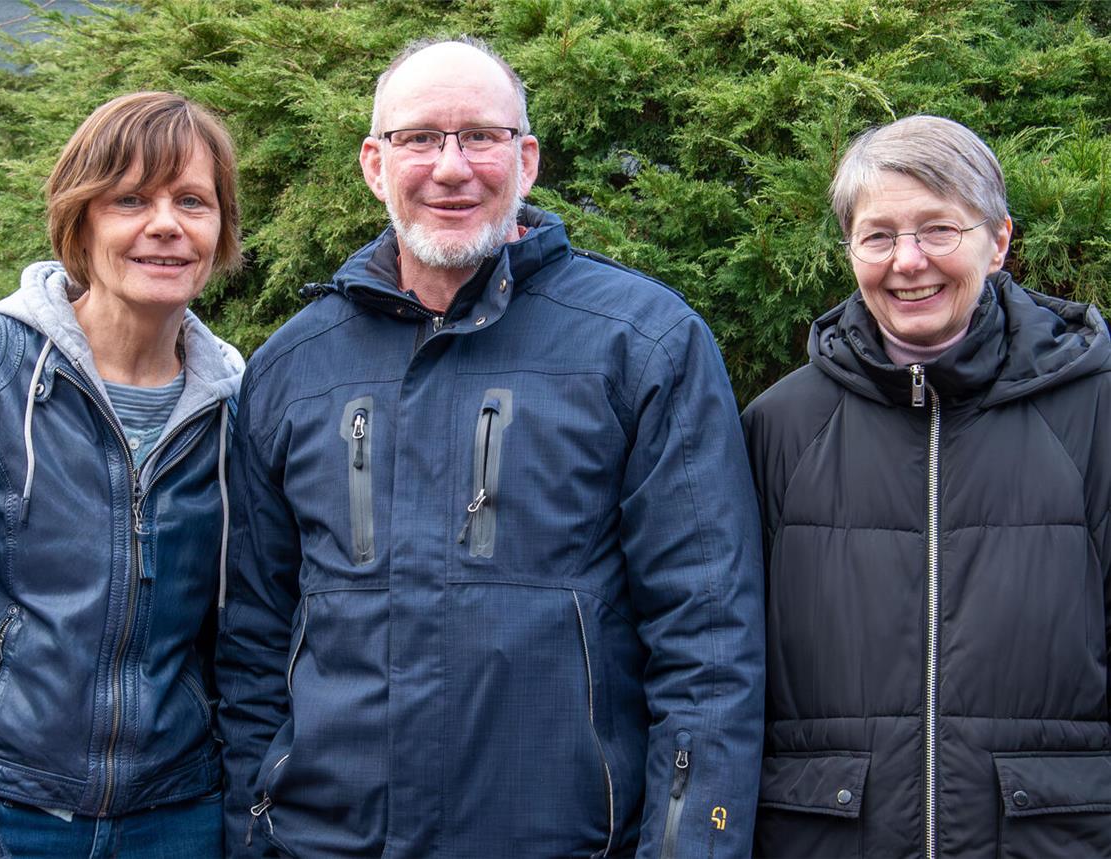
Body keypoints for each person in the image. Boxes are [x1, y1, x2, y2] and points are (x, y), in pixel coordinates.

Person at [217, 36, 764, 859]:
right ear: (374, 163)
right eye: (419, 139)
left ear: (527, 158)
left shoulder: (643, 344)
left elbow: (709, 644)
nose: (451, 166)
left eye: (480, 135)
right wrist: (254, 835)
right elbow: (254, 642)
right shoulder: (293, 367)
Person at [742, 114, 1111, 858]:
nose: (908, 262)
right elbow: (726, 662)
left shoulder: (1096, 409)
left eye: (939, 230)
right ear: (850, 249)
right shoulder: (781, 425)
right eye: (878, 236)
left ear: (999, 240)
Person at [0, 91, 244, 858]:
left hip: (180, 813)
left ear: (219, 229)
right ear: (81, 220)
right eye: (130, 199)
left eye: (193, 200)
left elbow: (243, 634)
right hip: (9, 809)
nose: (165, 224)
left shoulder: (237, 404)